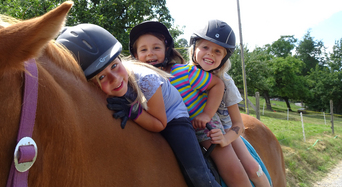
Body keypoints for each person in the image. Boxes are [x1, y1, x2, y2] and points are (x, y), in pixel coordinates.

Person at [56, 23, 222, 187]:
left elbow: (160, 124)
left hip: (172, 118)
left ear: (120, 59)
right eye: (101, 77)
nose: (115, 78)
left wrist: (133, 111)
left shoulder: (147, 80)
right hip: (142, 108)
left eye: (114, 65)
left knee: (198, 175)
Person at [129, 21, 252, 187]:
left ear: (166, 50)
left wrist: (206, 115)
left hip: (202, 129)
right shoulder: (138, 80)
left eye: (156, 48)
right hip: (169, 128)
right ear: (136, 55)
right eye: (143, 49)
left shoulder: (182, 72)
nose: (150, 53)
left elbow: (217, 84)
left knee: (234, 174)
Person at [189, 20, 271, 187]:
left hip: (226, 130)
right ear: (194, 48)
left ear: (224, 57)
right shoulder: (183, 75)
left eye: (217, 51)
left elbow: (238, 125)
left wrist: (226, 139)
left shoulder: (225, 83)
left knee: (252, 167)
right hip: (194, 128)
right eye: (205, 47)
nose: (210, 54)